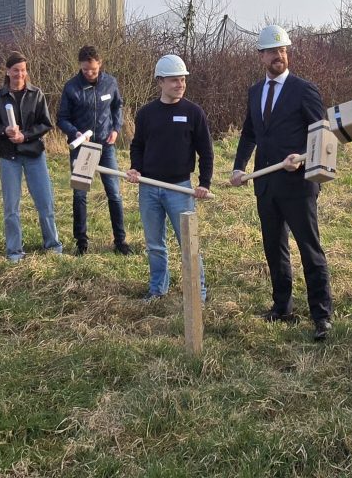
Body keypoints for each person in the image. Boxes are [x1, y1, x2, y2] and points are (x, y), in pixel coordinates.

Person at [231, 24, 333, 341]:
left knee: (309, 249)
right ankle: (282, 307)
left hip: (298, 185)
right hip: (266, 184)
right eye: (273, 51)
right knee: (274, 249)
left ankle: (321, 315)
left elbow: (322, 132)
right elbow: (250, 133)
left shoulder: (304, 90)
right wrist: (238, 167)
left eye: (283, 50)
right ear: (261, 56)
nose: (279, 55)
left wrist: (301, 156)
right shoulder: (255, 92)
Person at [126, 54, 212, 302]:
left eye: (183, 80)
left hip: (180, 189)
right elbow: (138, 145)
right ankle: (157, 289)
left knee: (188, 243)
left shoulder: (193, 113)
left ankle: (198, 294)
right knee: (154, 244)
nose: (180, 84)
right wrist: (135, 169)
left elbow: (206, 151)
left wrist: (204, 183)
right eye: (174, 80)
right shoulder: (146, 113)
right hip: (149, 187)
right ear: (160, 82)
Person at [0, 52, 63, 262]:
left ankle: (53, 244)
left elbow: (46, 124)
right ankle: (14, 250)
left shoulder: (37, 94)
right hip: (8, 156)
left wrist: (25, 136)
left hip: (34, 154)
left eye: (23, 70)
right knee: (11, 206)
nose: (20, 74)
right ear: (8, 72)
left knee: (45, 202)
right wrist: (4, 131)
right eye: (16, 70)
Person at [57, 45, 130, 255]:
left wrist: (116, 129)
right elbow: (62, 118)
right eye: (85, 69)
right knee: (80, 194)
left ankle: (120, 241)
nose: (89, 73)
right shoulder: (71, 87)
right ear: (80, 66)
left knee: (114, 193)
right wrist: (75, 133)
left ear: (100, 64)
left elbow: (117, 106)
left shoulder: (110, 83)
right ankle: (81, 242)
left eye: (94, 70)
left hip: (106, 146)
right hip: (83, 148)